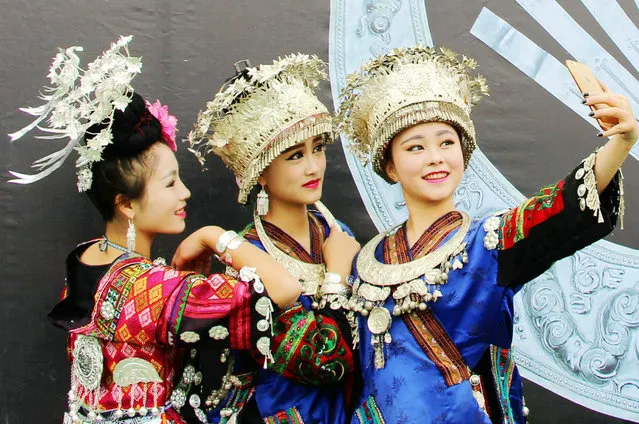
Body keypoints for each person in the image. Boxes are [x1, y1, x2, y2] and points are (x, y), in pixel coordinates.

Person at [9, 36, 301, 423]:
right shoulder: (151, 289)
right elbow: (284, 289)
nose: (185, 192)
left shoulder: (84, 260)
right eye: (169, 184)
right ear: (126, 203)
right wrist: (215, 235)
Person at [335, 45, 631, 424]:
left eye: (446, 142)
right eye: (415, 147)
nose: (435, 157)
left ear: (464, 151)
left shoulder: (489, 243)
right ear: (390, 166)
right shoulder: (368, 263)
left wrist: (621, 143)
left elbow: (559, 207)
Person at [187, 55, 360, 423]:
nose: (314, 166)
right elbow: (321, 362)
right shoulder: (247, 257)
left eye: (318, 149)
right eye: (296, 155)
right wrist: (338, 275)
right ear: (261, 173)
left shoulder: (335, 231)